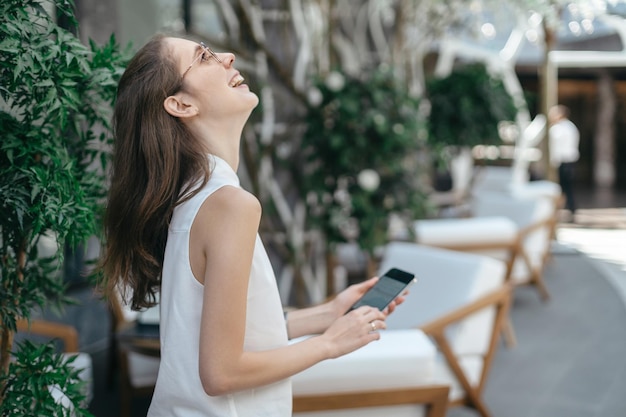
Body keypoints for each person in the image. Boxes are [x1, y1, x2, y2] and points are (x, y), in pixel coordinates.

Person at [100, 34, 405, 416]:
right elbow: (221, 373)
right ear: (181, 104)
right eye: (204, 57)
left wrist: (325, 315)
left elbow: (213, 330)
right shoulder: (228, 204)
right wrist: (329, 343)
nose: (227, 57)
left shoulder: (194, 196)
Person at [548, 104, 580, 218]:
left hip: (564, 161)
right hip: (569, 161)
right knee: (567, 187)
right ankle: (569, 207)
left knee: (563, 187)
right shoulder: (570, 127)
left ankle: (561, 208)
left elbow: (556, 148)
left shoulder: (559, 129)